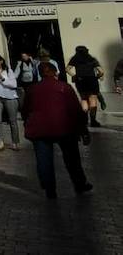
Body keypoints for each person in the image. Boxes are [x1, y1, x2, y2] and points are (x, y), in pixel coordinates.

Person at [24, 62, 92, 199]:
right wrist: (82, 129)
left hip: (40, 128)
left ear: (39, 73)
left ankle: (50, 189)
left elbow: (25, 109)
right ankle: (79, 183)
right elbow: (75, 109)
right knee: (72, 159)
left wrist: (27, 123)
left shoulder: (32, 89)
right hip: (64, 126)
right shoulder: (64, 87)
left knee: (43, 159)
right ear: (55, 72)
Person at [65, 46, 105, 128]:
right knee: (92, 99)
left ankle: (85, 119)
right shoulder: (92, 59)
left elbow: (67, 69)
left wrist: (74, 75)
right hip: (92, 81)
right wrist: (97, 76)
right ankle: (93, 121)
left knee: (84, 99)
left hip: (80, 81)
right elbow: (101, 71)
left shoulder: (74, 59)